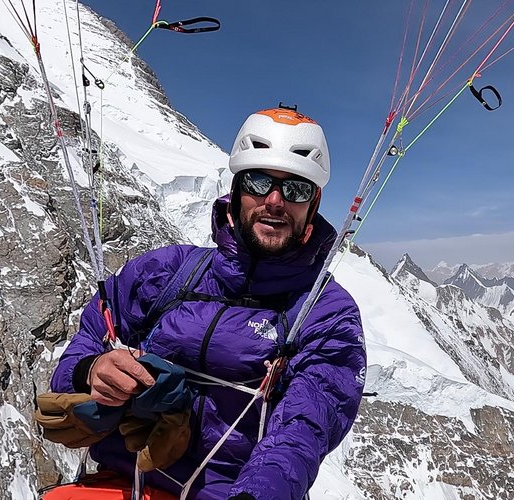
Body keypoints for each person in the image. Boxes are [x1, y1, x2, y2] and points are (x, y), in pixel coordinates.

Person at [47, 105, 367, 500]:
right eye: (258, 181)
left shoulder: (325, 312)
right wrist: (89, 371)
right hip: (120, 481)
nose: (275, 200)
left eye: (296, 189)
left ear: (312, 206)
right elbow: (91, 336)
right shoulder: (168, 271)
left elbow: (309, 420)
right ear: (235, 192)